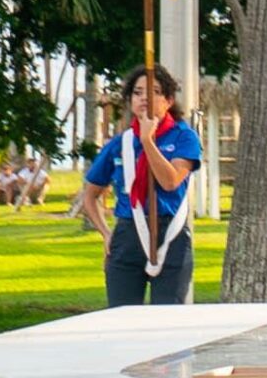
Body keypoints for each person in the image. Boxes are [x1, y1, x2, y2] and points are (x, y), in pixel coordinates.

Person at [79, 64, 202, 306]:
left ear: (168, 100)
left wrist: (148, 141)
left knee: (168, 317)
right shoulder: (120, 143)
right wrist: (106, 233)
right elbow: (90, 195)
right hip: (128, 234)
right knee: (122, 315)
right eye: (137, 92)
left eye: (154, 92)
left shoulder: (183, 137)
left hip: (170, 233)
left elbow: (170, 181)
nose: (144, 98)